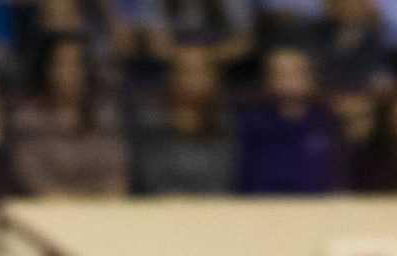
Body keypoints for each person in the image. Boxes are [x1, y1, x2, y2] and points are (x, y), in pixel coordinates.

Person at [8, 33, 130, 195]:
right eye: (62, 65)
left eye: (77, 64)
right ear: (48, 70)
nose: (70, 72)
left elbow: (117, 176)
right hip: (49, 211)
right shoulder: (28, 120)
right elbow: (34, 180)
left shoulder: (104, 116)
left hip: (103, 210)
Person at [234, 46, 343, 194]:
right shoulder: (250, 123)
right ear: (268, 79)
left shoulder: (328, 121)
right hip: (261, 208)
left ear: (311, 77)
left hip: (319, 209)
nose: (288, 81)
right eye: (280, 74)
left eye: (295, 73)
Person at [130, 45, 236, 195]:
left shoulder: (226, 124)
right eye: (186, 71)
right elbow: (150, 182)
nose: (192, 79)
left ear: (213, 78)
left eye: (200, 71)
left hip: (214, 210)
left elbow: (225, 180)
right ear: (172, 77)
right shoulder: (150, 124)